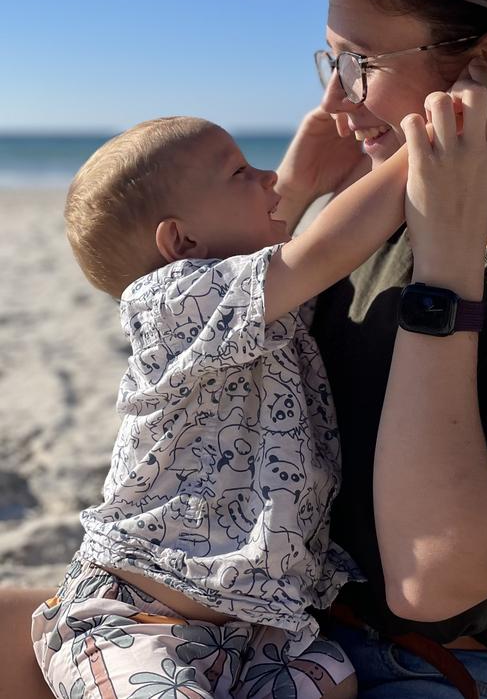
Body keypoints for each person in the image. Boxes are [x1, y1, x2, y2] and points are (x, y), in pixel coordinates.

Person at [2, 0, 487, 699]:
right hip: (260, 629)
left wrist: (448, 265)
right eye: (329, 63)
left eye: (360, 65)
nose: (334, 102)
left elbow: (433, 582)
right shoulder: (364, 224)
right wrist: (304, 195)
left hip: (438, 666)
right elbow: (246, 302)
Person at [28, 113, 417, 699]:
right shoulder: (171, 302)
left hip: (259, 631)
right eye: (241, 170)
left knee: (330, 681)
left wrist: (316, 166)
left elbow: (291, 245)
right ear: (180, 244)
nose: (271, 179)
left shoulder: (264, 307)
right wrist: (426, 145)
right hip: (135, 614)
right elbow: (325, 248)